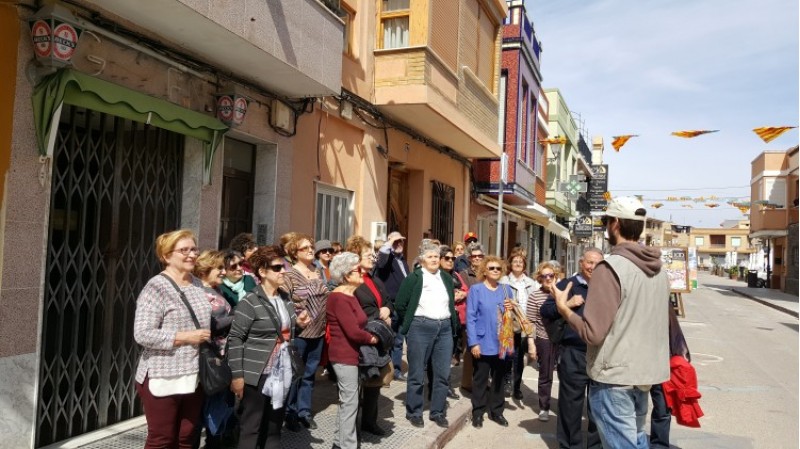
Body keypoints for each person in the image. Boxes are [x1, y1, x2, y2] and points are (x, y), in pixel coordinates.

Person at [551, 196, 670, 449]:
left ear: (615, 223)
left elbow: (592, 333)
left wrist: (563, 309)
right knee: (637, 441)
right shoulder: (659, 270)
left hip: (615, 377)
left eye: (606, 221)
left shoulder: (611, 267)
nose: (605, 227)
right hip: (644, 375)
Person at [133, 229, 210, 449]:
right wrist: (186, 337)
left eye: (194, 249)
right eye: (183, 250)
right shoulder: (156, 287)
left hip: (194, 374)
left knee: (187, 437)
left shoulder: (196, 283)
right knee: (162, 439)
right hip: (162, 373)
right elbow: (143, 333)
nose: (191, 254)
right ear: (166, 256)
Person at [227, 246, 310, 449]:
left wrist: (298, 324)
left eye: (283, 266)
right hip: (257, 373)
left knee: (274, 426)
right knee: (252, 426)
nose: (283, 271)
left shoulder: (284, 297)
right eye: (277, 267)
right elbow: (235, 339)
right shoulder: (250, 301)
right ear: (262, 272)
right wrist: (237, 376)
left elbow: (284, 334)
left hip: (282, 371)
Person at [541, 248, 604, 449]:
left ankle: (595, 446)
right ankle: (569, 445)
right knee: (570, 405)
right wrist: (567, 303)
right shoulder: (567, 285)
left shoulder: (607, 286)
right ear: (581, 262)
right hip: (573, 353)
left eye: (597, 263)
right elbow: (546, 310)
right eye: (589, 262)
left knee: (598, 407)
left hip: (601, 354)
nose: (593, 267)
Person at [394, 240, 458, 429]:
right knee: (416, 373)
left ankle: (437, 412)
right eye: (430, 256)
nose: (434, 259)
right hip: (420, 327)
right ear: (422, 259)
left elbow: (450, 303)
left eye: (436, 256)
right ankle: (414, 411)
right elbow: (400, 304)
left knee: (442, 373)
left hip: (444, 328)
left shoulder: (445, 278)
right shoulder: (414, 278)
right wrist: (412, 323)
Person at [326, 252, 382, 449]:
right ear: (346, 275)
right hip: (343, 355)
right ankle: (347, 445)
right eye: (358, 269)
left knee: (348, 402)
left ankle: (338, 443)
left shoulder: (351, 294)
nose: (362, 272)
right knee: (350, 404)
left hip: (351, 355)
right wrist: (372, 338)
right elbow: (352, 331)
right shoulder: (339, 297)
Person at [282, 234, 330, 431]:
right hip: (300, 333)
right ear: (295, 253)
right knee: (295, 375)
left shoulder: (318, 271)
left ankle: (305, 412)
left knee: (310, 374)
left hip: (318, 331)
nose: (311, 250)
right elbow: (284, 302)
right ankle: (290, 412)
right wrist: (298, 316)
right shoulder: (290, 275)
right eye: (305, 248)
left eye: (311, 246)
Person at [347, 236, 393, 436]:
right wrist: (377, 315)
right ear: (356, 258)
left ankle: (369, 421)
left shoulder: (375, 279)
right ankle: (351, 427)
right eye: (368, 254)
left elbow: (389, 301)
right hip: (362, 337)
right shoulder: (351, 281)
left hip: (378, 337)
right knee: (357, 384)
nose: (373, 258)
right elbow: (353, 310)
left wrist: (387, 310)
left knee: (375, 383)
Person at [193, 250, 236, 448]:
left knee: (217, 404)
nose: (222, 271)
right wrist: (237, 318)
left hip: (222, 356)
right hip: (209, 358)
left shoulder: (216, 290)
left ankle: (215, 439)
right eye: (218, 268)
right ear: (205, 269)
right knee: (205, 407)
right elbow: (208, 325)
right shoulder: (200, 293)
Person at [466, 255, 513, 429]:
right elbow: (470, 317)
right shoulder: (476, 290)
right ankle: (477, 413)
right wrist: (473, 343)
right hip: (483, 341)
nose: (495, 271)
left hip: (501, 341)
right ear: (484, 270)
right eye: (491, 268)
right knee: (480, 379)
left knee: (499, 379)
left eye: (498, 268)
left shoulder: (507, 290)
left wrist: (510, 309)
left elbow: (512, 317)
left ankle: (497, 411)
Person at [499, 252, 539, 400]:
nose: (517, 264)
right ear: (510, 264)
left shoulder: (530, 282)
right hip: (509, 322)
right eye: (515, 261)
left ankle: (516, 386)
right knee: (507, 355)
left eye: (520, 262)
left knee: (519, 357)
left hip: (524, 323)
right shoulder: (503, 281)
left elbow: (534, 302)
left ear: (524, 266)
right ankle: (506, 381)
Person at [374, 231, 410, 381]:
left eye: (401, 241)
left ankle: (396, 370)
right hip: (391, 305)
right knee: (388, 339)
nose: (399, 244)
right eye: (396, 242)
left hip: (403, 306)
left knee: (399, 340)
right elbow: (381, 262)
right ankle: (386, 372)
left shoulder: (403, 260)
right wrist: (389, 244)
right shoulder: (387, 258)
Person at [526, 261, 559, 422]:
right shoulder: (534, 296)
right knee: (545, 374)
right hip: (544, 339)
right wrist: (531, 344)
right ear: (539, 278)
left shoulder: (563, 293)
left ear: (556, 276)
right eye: (544, 276)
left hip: (562, 340)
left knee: (567, 375)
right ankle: (544, 407)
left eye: (551, 275)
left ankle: (565, 407)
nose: (548, 278)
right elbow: (530, 321)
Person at [458, 242, 484, 391]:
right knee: (469, 351)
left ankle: (481, 380)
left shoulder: (487, 272)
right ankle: (467, 382)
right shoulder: (464, 274)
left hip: (485, 316)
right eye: (474, 256)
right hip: (470, 317)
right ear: (469, 258)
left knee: (484, 351)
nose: (477, 259)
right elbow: (463, 293)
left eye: (480, 256)